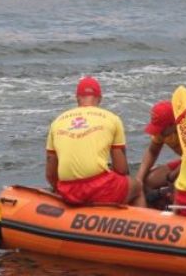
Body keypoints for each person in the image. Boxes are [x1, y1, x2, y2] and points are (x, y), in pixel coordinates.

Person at [46, 76, 143, 206]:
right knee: (137, 187)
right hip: (99, 188)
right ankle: (142, 224)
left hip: (68, 191)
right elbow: (121, 169)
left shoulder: (57, 122)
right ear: (100, 99)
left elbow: (50, 174)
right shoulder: (112, 119)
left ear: (77, 98)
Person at [135, 100, 183, 209]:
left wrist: (173, 175)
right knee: (148, 180)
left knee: (177, 182)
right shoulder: (164, 130)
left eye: (161, 129)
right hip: (185, 161)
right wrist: (139, 178)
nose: (158, 132)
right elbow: (152, 151)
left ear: (173, 124)